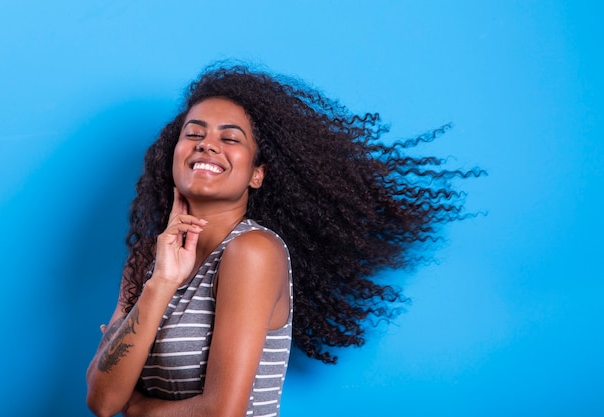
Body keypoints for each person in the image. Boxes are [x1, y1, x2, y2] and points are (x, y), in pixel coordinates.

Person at [86, 64, 482, 417]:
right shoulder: (151, 258)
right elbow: (102, 402)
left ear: (257, 174)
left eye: (231, 139)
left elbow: (222, 413)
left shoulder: (252, 252)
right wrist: (161, 282)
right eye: (194, 133)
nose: (207, 144)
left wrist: (137, 408)